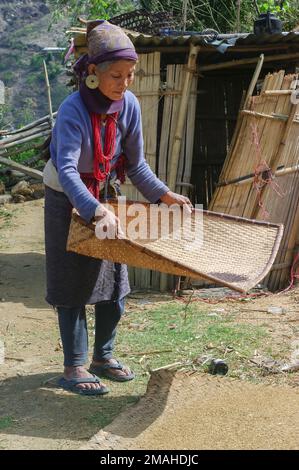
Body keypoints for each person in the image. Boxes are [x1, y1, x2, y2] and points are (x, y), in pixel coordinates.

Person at [43, 19, 192, 396]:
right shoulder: (73, 110)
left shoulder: (128, 107)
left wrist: (164, 195)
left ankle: (103, 357)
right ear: (92, 72)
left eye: (130, 75)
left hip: (106, 194)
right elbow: (67, 168)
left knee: (115, 282)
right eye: (116, 76)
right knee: (73, 281)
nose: (124, 84)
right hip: (68, 195)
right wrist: (94, 210)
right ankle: (74, 365)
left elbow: (137, 165)